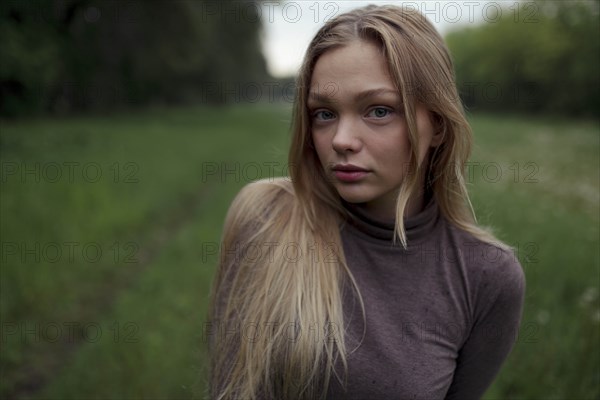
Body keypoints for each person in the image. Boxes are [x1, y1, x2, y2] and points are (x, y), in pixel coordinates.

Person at [207, 5, 525, 400]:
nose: (341, 140)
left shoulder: (486, 275)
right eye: (324, 113)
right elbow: (229, 387)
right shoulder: (265, 216)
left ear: (439, 125)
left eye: (378, 110)